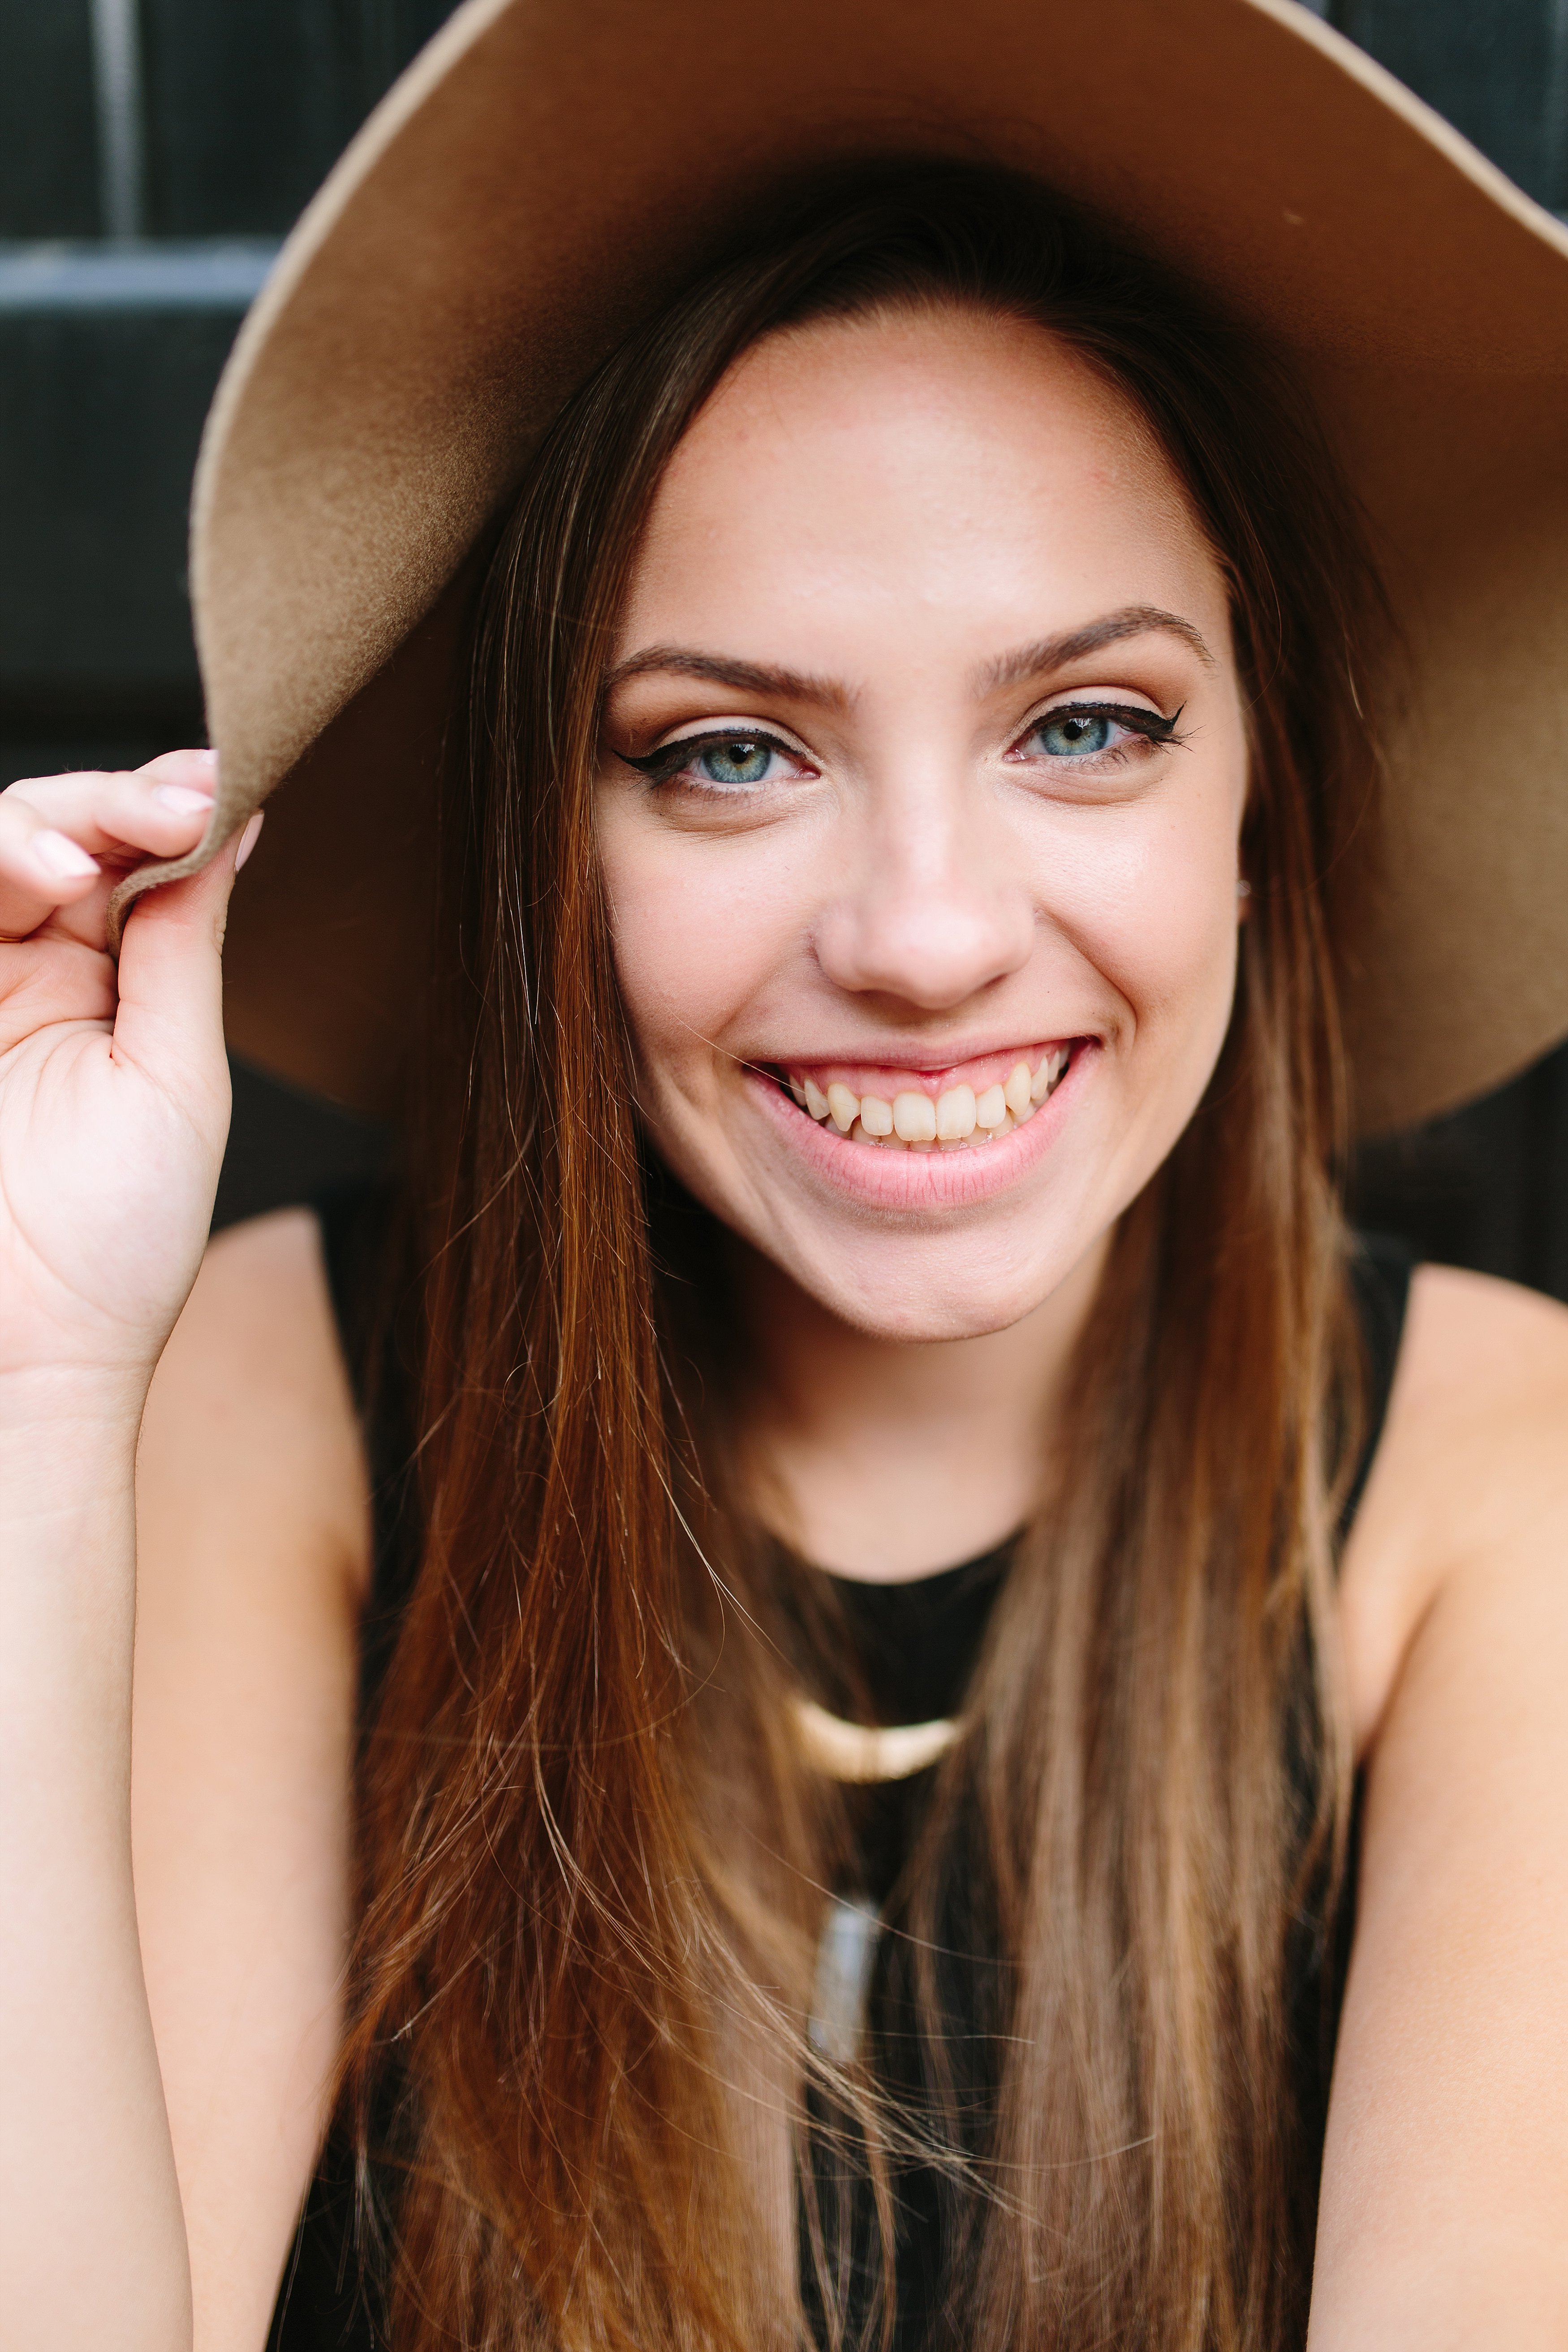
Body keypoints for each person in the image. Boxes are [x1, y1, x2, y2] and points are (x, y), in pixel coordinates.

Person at [4, 6, 1568, 2350]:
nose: (928, 937)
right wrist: (39, 1381)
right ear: (560, 840)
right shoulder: (274, 1387)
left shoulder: (1502, 1478)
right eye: (728, 751)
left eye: (1088, 724)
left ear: (1263, 802)